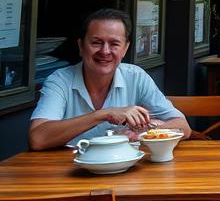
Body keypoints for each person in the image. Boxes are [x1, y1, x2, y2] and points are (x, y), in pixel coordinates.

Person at [29, 9, 191, 150]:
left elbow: (183, 127)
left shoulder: (136, 77)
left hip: (125, 167)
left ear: (125, 49)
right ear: (81, 46)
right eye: (96, 43)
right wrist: (105, 114)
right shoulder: (59, 81)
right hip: (70, 168)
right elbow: (37, 139)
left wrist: (144, 133)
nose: (105, 51)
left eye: (114, 44)